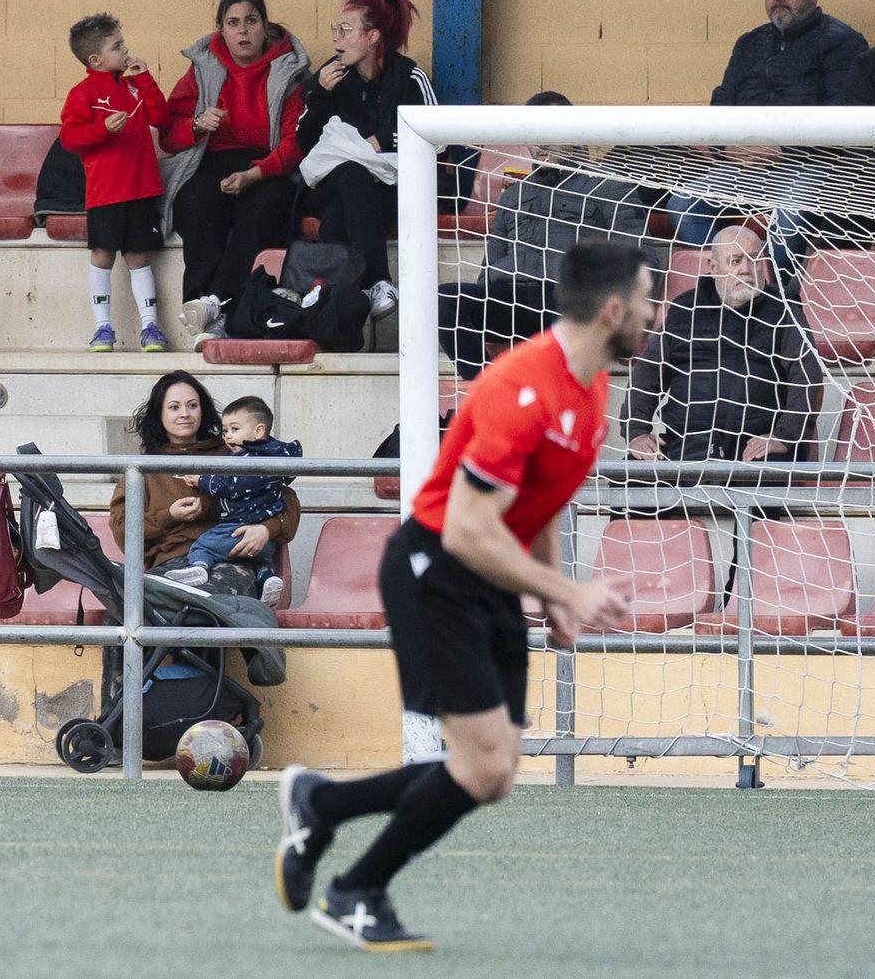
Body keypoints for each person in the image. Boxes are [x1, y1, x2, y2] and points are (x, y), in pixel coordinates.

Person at [272, 242, 647, 950]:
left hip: (489, 576)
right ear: (614, 309)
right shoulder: (521, 387)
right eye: (649, 300)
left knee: (494, 772)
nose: (655, 314)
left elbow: (538, 503)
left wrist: (556, 595)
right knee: (482, 764)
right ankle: (356, 889)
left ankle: (322, 806)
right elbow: (470, 530)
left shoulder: (591, 384)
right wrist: (566, 589)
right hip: (435, 571)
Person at [665, 0, 867, 271]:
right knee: (682, 205)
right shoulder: (749, 43)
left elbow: (843, 114)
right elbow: (721, 103)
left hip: (806, 165)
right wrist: (727, 148)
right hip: (741, 166)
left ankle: (774, 298)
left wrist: (780, 149)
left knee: (788, 213)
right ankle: (723, 285)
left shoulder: (843, 41)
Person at [438, 91, 657, 380]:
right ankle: (486, 387)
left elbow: (644, 260)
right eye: (532, 134)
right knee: (445, 298)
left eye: (548, 132)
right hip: (512, 298)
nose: (539, 144)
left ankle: (558, 401)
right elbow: (489, 268)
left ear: (574, 133)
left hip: (567, 299)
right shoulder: (513, 196)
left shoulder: (610, 189)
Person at [161, 0, 310, 350]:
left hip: (267, 166)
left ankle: (218, 303)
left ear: (265, 26)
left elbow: (296, 143)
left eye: (251, 21)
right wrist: (196, 125)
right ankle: (200, 305)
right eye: (233, 23)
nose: (243, 31)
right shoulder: (202, 68)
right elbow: (169, 134)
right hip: (211, 161)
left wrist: (254, 175)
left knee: (263, 210)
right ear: (221, 30)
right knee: (195, 205)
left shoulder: (290, 71)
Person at [621, 225, 822, 465]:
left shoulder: (784, 309)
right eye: (735, 261)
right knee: (629, 477)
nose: (746, 270)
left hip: (757, 449)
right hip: (685, 446)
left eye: (754, 260)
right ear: (714, 268)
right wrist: (637, 432)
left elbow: (807, 376)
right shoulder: (686, 309)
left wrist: (784, 436)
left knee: (760, 485)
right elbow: (647, 375)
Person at [295, 0, 436, 321]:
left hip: (388, 188)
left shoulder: (409, 77)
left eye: (345, 30)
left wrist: (384, 138)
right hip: (327, 182)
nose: (335, 40)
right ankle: (379, 282)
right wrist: (320, 95)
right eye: (335, 30)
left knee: (340, 212)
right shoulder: (331, 76)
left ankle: (331, 296)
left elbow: (434, 135)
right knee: (350, 174)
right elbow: (303, 141)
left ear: (372, 36)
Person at [110, 371, 298, 601]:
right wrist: (170, 515)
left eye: (192, 405)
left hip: (231, 560)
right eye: (174, 407)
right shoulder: (142, 468)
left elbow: (286, 501)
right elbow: (122, 530)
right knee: (131, 604)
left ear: (203, 410)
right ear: (159, 413)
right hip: (172, 565)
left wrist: (267, 529)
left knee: (206, 602)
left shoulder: (234, 451)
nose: (185, 414)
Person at [61, 12, 171, 354]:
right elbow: (69, 137)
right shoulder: (82, 93)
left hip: (141, 188)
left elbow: (161, 117)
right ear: (96, 59)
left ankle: (151, 326)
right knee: (102, 254)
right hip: (106, 192)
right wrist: (101, 129)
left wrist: (147, 80)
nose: (126, 50)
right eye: (117, 46)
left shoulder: (135, 84)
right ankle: (102, 327)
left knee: (139, 255)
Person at [170, 395, 301, 605]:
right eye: (225, 431)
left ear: (258, 431)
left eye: (234, 429)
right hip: (259, 544)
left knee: (202, 547)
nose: (228, 436)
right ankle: (267, 579)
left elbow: (231, 486)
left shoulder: (248, 460)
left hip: (236, 530)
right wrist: (168, 516)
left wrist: (202, 480)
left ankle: (198, 567)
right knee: (262, 562)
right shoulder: (270, 458)